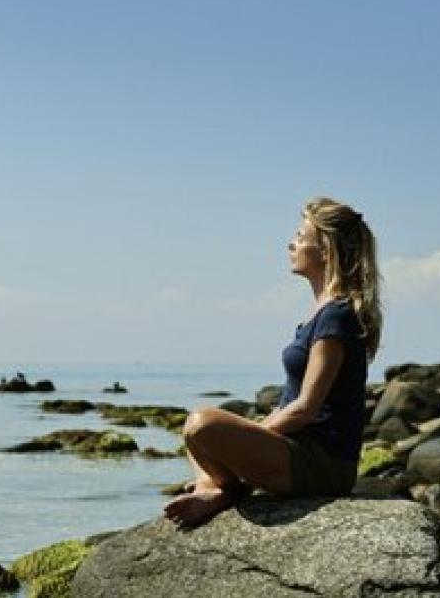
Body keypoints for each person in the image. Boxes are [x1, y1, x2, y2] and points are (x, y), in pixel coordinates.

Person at [163, 196, 382, 528]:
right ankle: (216, 491)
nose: (290, 244)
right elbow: (291, 403)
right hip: (296, 451)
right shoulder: (321, 312)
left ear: (325, 251)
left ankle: (223, 491)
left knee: (203, 424)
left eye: (299, 237)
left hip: (321, 463)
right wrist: (248, 436)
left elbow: (306, 407)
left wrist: (251, 433)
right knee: (194, 432)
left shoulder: (337, 315)